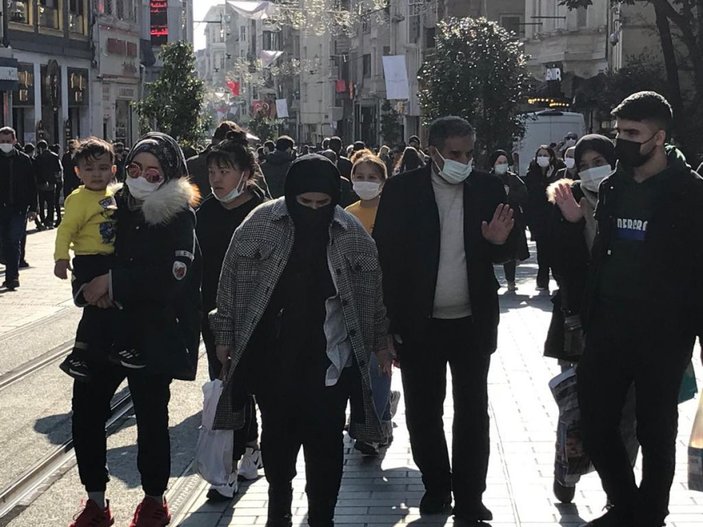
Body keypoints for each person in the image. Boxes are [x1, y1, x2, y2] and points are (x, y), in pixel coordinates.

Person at [210, 154, 392, 527]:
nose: (313, 211)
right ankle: (279, 506)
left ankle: (322, 515)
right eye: (304, 203)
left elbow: (372, 296)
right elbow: (228, 287)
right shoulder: (258, 225)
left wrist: (380, 343)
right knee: (278, 439)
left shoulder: (352, 235)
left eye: (322, 204)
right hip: (272, 360)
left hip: (330, 361)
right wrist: (224, 337)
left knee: (325, 444)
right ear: (291, 196)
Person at [374, 116, 515, 526]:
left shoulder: (488, 187)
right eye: (455, 154)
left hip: (472, 322)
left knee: (473, 410)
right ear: (433, 151)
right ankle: (437, 486)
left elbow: (512, 248)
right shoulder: (402, 191)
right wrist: (386, 324)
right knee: (423, 410)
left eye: (469, 153)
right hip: (420, 323)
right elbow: (386, 257)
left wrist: (497, 243)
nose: (464, 161)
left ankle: (471, 496)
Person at [574, 92, 703, 526]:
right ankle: (624, 503)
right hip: (608, 326)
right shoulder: (614, 186)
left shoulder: (691, 193)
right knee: (594, 422)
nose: (623, 142)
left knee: (655, 429)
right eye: (619, 133)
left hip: (664, 333)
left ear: (660, 137)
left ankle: (650, 515)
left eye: (633, 133)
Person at [68, 132, 202, 527]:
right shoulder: (110, 204)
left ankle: (154, 500)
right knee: (86, 415)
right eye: (134, 169)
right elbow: (85, 249)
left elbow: (172, 277)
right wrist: (90, 288)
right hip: (101, 328)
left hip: (150, 332)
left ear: (169, 173)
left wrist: (115, 282)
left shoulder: (179, 215)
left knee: (150, 417)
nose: (141, 177)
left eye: (152, 171)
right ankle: (95, 500)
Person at [544, 135, 639, 506]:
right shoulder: (566, 200)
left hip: (628, 321)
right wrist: (571, 223)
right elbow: (561, 268)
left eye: (598, 160)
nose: (590, 170)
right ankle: (567, 470)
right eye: (582, 165)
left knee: (626, 414)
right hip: (579, 323)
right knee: (577, 407)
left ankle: (618, 492)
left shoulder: (631, 197)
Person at [196, 131, 267, 500]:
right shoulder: (204, 213)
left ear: (245, 172)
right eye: (212, 171)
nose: (217, 178)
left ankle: (252, 446)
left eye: (225, 170)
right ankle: (233, 459)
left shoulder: (264, 212)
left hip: (259, 313)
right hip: (216, 315)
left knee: (253, 383)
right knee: (225, 384)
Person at [55, 138, 140, 382]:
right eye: (89, 169)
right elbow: (65, 230)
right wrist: (61, 258)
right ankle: (81, 353)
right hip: (89, 261)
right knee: (98, 307)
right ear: (77, 172)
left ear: (114, 170)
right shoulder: (78, 199)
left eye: (103, 168)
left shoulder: (115, 195)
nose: (96, 174)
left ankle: (108, 348)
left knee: (110, 306)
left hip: (110, 260)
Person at [344, 153, 400, 457]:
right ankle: (377, 414)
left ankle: (374, 425)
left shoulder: (394, 211)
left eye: (372, 177)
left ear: (383, 181)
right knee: (357, 363)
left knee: (381, 361)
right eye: (359, 176)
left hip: (386, 296)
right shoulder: (346, 214)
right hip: (352, 297)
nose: (365, 183)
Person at [0, 127, 37, 290]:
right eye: (2, 141)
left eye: (8, 141)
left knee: (14, 242)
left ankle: (12, 277)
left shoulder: (23, 160)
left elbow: (31, 185)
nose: (5, 144)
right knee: (3, 242)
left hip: (18, 209)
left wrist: (33, 208)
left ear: (14, 141)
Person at [489, 150, 528, 292]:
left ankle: (510, 280)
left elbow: (524, 195)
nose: (502, 165)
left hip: (511, 219)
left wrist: (510, 194)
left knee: (510, 252)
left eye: (504, 162)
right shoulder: (488, 179)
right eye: (499, 163)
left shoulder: (513, 179)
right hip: (492, 219)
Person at [524, 145, 562, 291]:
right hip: (539, 219)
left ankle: (559, 278)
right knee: (542, 250)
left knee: (555, 250)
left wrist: (549, 179)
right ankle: (542, 279)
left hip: (554, 217)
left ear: (551, 157)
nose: (542, 158)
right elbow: (532, 196)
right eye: (540, 155)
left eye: (545, 155)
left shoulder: (558, 172)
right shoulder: (532, 173)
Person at [35, 139, 62, 229]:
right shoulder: (54, 156)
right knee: (51, 204)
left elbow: (36, 172)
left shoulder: (38, 158)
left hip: (41, 183)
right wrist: (57, 181)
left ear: (40, 148)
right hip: (51, 184)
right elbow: (58, 170)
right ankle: (50, 220)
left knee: (42, 203)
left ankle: (43, 220)